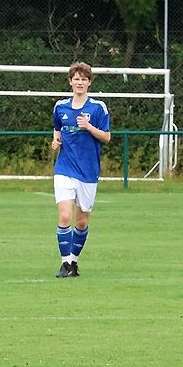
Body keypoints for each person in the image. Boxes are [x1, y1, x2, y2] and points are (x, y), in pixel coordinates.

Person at [51, 61, 111, 278]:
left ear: (89, 83)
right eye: (76, 79)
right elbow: (57, 130)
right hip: (64, 168)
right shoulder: (60, 107)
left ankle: (74, 262)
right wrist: (55, 143)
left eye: (83, 79)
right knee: (65, 216)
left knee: (82, 220)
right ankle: (65, 264)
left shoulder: (98, 108)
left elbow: (106, 137)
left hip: (88, 171)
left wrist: (89, 127)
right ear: (70, 82)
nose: (79, 82)